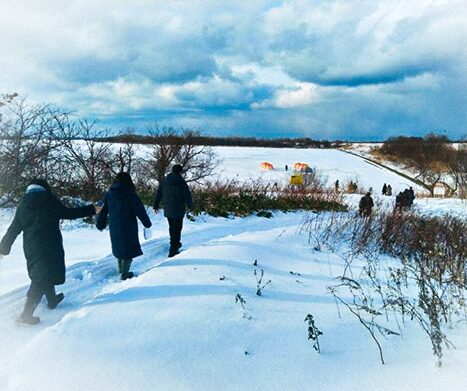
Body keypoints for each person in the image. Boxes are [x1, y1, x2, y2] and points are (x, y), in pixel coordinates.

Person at [0, 179, 98, 325]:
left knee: (43, 272)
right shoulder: (49, 200)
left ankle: (52, 300)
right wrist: (92, 209)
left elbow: (13, 229)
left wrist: (3, 248)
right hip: (50, 245)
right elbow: (69, 213)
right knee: (41, 278)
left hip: (32, 247)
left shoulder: (23, 206)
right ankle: (26, 315)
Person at [96, 172, 151, 280]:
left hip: (115, 225)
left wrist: (100, 223)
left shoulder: (109, 194)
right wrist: (147, 223)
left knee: (119, 247)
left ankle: (121, 270)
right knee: (128, 249)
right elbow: (140, 210)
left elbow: (102, 210)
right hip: (128, 225)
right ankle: (125, 274)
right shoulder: (131, 194)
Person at [153, 164, 193, 258]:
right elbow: (187, 195)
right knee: (177, 229)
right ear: (180, 171)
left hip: (168, 208)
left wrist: (155, 205)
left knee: (172, 227)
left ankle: (174, 244)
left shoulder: (164, 181)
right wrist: (190, 206)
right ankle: (173, 250)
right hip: (179, 209)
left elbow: (158, 193)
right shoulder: (181, 182)